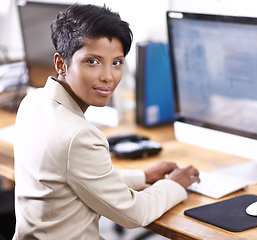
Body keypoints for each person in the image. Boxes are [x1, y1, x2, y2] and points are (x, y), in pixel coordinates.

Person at [13, 4, 200, 239]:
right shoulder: (78, 136)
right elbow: (134, 214)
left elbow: (73, 179)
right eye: (93, 61)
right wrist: (175, 184)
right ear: (61, 64)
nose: (108, 77)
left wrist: (143, 177)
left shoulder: (33, 102)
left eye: (117, 62)